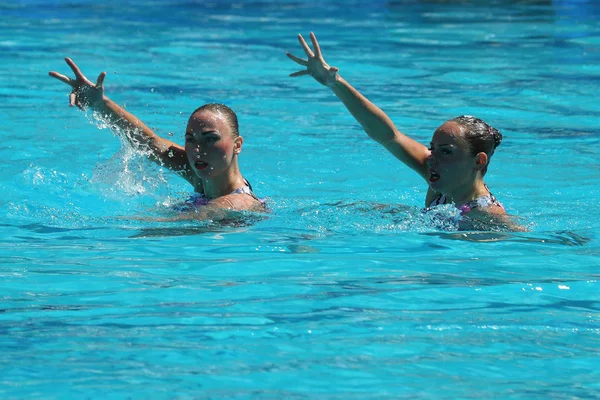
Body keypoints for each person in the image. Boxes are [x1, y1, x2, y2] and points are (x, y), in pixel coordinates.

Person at [286, 33, 523, 231]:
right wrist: (335, 83)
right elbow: (388, 135)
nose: (432, 158)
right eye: (432, 148)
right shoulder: (442, 176)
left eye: (446, 152)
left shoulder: (488, 216)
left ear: (478, 161)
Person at [49, 58, 265, 220]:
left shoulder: (237, 203)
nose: (197, 149)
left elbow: (177, 224)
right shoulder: (203, 176)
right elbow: (148, 142)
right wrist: (99, 103)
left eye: (210, 139)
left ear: (237, 145)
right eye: (191, 139)